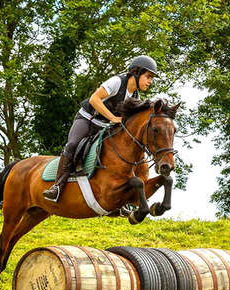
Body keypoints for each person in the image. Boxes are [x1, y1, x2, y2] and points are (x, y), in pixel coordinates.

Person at [43, 55, 158, 202]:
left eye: (151, 78)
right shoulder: (117, 82)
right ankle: (57, 187)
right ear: (136, 72)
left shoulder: (135, 96)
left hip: (103, 128)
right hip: (87, 120)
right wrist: (113, 118)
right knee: (72, 145)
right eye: (148, 76)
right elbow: (94, 99)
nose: (150, 81)